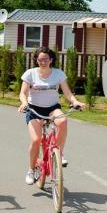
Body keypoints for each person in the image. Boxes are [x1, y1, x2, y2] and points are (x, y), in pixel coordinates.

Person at [18, 46, 85, 185]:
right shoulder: (30, 74)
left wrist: (75, 101)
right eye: (40, 59)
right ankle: (31, 170)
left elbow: (67, 93)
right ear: (36, 60)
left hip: (52, 108)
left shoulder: (58, 74)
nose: (43, 62)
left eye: (46, 59)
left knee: (63, 121)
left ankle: (59, 154)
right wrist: (24, 103)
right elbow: (23, 93)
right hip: (33, 109)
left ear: (51, 60)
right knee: (36, 140)